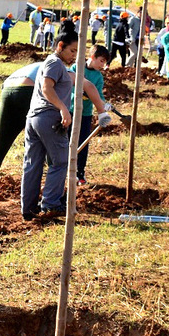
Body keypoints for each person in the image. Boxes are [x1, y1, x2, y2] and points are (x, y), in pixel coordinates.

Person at [21, 29, 111, 221]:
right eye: (71, 51)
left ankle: (28, 209)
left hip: (34, 118)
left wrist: (102, 110)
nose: (74, 55)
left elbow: (87, 85)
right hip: (49, 119)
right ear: (60, 46)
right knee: (61, 161)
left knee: (33, 164)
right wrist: (63, 108)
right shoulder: (54, 63)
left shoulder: (58, 66)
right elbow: (47, 88)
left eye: (77, 51)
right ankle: (50, 205)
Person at [0, 61, 43, 196]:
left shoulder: (36, 65)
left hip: (8, 88)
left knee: (0, 144)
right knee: (41, 143)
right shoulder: (60, 67)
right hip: (27, 91)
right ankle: (39, 194)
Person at [70, 43, 111, 186]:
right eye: (101, 61)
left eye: (105, 63)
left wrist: (103, 104)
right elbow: (68, 85)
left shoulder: (98, 77)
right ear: (92, 57)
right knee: (67, 142)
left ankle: (80, 173)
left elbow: (98, 95)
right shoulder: (76, 69)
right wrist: (78, 93)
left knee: (83, 143)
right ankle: (65, 171)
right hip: (71, 110)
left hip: (85, 113)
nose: (103, 65)